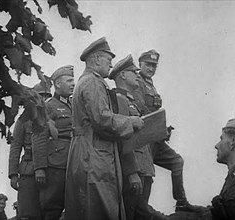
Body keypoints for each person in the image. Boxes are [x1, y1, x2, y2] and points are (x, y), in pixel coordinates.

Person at [65, 37, 144, 220]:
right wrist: (130, 121)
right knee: (101, 207)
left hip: (86, 150)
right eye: (108, 60)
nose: (110, 65)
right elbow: (102, 120)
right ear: (97, 59)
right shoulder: (93, 82)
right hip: (93, 154)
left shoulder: (85, 81)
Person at [132, 49, 198, 212]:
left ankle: (181, 202)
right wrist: (159, 128)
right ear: (140, 64)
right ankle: (140, 212)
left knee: (177, 162)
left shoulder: (151, 85)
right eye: (148, 65)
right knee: (145, 177)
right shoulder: (137, 83)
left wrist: (164, 129)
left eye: (154, 66)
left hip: (156, 138)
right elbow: (141, 109)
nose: (151, 68)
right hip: (144, 139)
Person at [109, 54, 168, 220]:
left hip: (143, 164)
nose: (137, 75)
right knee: (134, 212)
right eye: (132, 72)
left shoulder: (132, 101)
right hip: (135, 166)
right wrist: (131, 172)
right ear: (122, 75)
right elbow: (124, 138)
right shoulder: (120, 100)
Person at [32, 65, 75, 220]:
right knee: (52, 207)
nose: (73, 83)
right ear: (57, 84)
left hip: (74, 161)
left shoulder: (75, 105)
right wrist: (40, 168)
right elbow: (38, 137)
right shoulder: (47, 106)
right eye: (69, 80)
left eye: (73, 80)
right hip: (56, 164)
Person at [8, 82, 52, 220]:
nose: (43, 100)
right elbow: (15, 147)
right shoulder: (23, 120)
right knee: (28, 213)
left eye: (46, 97)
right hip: (28, 171)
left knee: (49, 212)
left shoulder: (51, 119)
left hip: (50, 169)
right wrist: (13, 174)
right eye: (41, 96)